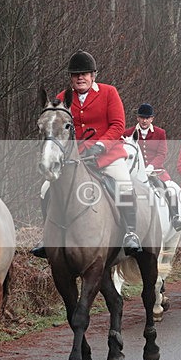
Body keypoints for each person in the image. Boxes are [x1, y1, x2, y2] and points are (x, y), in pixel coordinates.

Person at [32, 50, 141, 259]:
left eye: (84, 73)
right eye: (75, 74)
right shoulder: (63, 98)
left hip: (107, 155)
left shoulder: (109, 92)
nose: (80, 77)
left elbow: (118, 125)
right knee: (46, 188)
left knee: (123, 183)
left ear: (93, 75)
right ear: (71, 78)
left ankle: (130, 232)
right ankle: (48, 236)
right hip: (75, 158)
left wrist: (101, 145)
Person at [123, 103, 181, 231]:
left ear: (152, 119)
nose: (144, 120)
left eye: (147, 118)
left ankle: (175, 217)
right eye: (142, 117)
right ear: (137, 118)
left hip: (156, 171)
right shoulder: (128, 133)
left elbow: (162, 153)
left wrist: (151, 166)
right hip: (134, 172)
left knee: (171, 189)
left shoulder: (160, 133)